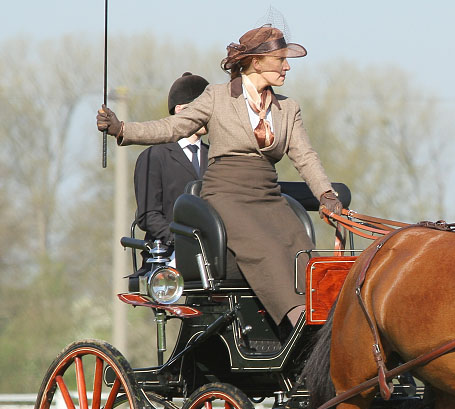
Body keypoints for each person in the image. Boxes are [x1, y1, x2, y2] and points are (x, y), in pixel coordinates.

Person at [98, 23, 343, 332]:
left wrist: (326, 195)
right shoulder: (217, 97)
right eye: (280, 59)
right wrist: (123, 129)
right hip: (226, 194)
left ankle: (326, 320)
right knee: (265, 247)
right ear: (257, 61)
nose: (287, 66)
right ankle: (301, 326)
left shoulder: (287, 108)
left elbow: (305, 157)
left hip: (267, 194)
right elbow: (172, 127)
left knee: (301, 246)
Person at [133, 72, 209, 273]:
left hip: (213, 253)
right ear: (180, 111)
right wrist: (180, 240)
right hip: (168, 254)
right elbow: (148, 215)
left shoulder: (217, 157)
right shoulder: (154, 156)